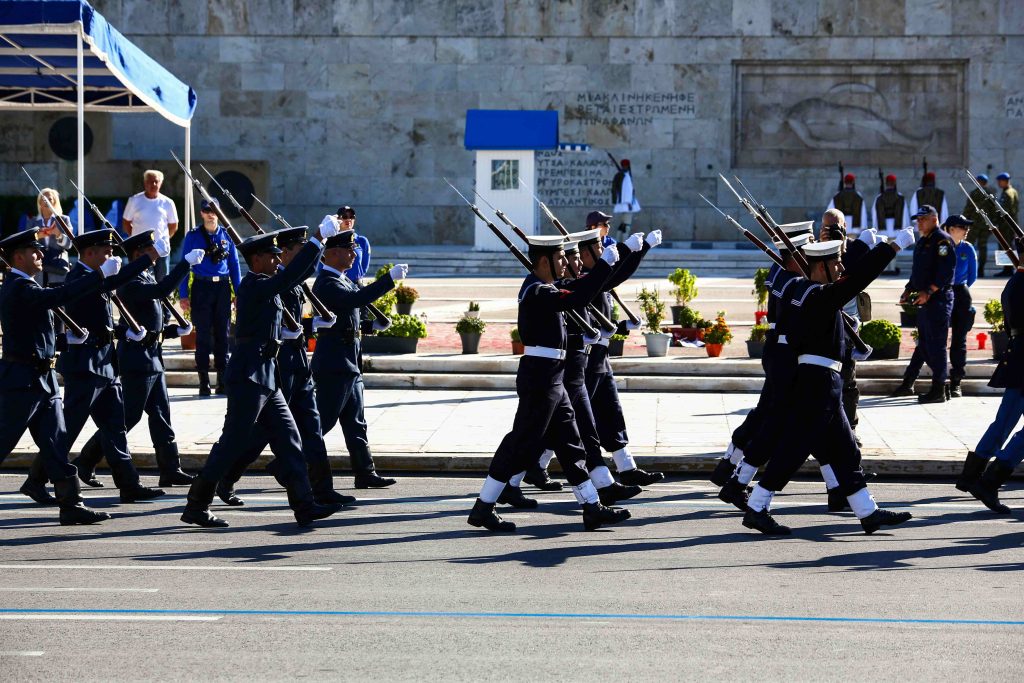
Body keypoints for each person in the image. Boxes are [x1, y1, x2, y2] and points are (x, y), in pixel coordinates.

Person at [741, 232, 916, 536]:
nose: (841, 267)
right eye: (835, 263)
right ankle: (757, 507)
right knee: (795, 449)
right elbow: (858, 278)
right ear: (820, 266)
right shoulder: (817, 295)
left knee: (845, 450)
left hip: (826, 382)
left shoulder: (804, 291)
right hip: (817, 384)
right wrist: (891, 247)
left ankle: (867, 512)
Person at [179, 218, 346, 528]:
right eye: (271, 256)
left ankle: (304, 505)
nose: (276, 260)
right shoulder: (253, 285)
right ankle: (197, 504)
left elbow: (297, 275)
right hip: (248, 374)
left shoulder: (268, 284)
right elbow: (291, 276)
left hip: (267, 374)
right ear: (256, 259)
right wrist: (318, 238)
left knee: (289, 439)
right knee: (233, 442)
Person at [467, 235, 630, 533]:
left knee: (571, 444)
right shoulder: (536, 291)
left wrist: (613, 264)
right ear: (544, 261)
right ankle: (483, 507)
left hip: (554, 376)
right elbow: (577, 298)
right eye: (560, 258)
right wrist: (603, 265)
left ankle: (592, 507)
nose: (565, 263)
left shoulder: (546, 288)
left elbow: (580, 289)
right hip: (540, 378)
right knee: (520, 443)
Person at [216, 226, 357, 507]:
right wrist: (318, 240)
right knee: (261, 432)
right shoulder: (272, 280)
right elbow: (263, 321)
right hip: (279, 364)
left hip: (299, 362)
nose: (282, 257)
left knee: (312, 428)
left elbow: (302, 285)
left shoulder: (291, 278)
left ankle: (322, 489)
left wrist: (312, 325)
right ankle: (226, 478)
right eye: (298, 250)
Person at [29, 228, 164, 503]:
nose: (112, 256)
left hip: (105, 365)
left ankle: (129, 484)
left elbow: (105, 310)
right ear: (89, 253)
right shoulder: (79, 278)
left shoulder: (96, 277)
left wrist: (125, 332)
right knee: (67, 429)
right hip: (85, 368)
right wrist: (148, 258)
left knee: (116, 428)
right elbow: (115, 281)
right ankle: (35, 480)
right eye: (106, 251)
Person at [74, 231, 204, 488]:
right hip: (137, 360)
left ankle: (170, 468)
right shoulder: (130, 281)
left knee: (161, 415)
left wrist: (173, 331)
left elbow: (150, 323)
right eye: (149, 251)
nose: (154, 255)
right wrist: (185, 264)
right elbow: (161, 290)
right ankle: (85, 460)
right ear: (138, 254)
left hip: (153, 356)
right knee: (127, 417)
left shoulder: (144, 276)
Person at [0, 229, 110, 524]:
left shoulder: (27, 285)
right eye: (33, 251)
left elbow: (34, 331)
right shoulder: (18, 286)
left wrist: (64, 341)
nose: (40, 254)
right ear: (18, 257)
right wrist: (99, 276)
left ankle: (71, 504)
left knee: (56, 443)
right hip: (22, 380)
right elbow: (57, 296)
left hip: (43, 378)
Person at [312, 231, 405, 489]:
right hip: (334, 364)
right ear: (333, 253)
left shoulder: (342, 280)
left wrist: (370, 326)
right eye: (349, 250)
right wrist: (388, 279)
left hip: (349, 362)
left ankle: (365, 472)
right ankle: (286, 462)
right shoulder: (327, 282)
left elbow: (346, 320)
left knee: (356, 423)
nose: (354, 254)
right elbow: (354, 300)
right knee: (323, 421)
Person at [578, 225, 665, 486]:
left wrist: (625, 326)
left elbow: (606, 312)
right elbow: (617, 276)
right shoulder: (586, 279)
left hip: (601, 355)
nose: (604, 251)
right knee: (571, 418)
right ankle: (533, 466)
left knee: (611, 411)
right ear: (584, 255)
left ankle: (626, 467)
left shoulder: (597, 278)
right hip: (587, 357)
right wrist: (639, 249)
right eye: (598, 248)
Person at [956, 253, 1024, 512]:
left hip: (1018, 355)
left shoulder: (1015, 281)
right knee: (1007, 422)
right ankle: (990, 481)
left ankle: (971, 476)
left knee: (1004, 420)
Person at [890, 205, 957, 403]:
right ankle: (918, 383)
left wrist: (929, 291)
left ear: (934, 219)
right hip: (924, 299)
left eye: (923, 219)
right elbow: (918, 271)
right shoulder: (923, 241)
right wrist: (908, 289)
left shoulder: (942, 240)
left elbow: (946, 271)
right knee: (925, 344)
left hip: (938, 299)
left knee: (936, 345)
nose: (919, 223)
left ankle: (939, 389)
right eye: (917, 220)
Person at [179, 198, 241, 396]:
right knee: (203, 335)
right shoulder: (193, 236)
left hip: (222, 287)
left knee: (223, 334)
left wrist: (238, 293)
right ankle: (204, 381)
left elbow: (234, 265)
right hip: (201, 287)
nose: (211, 214)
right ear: (201, 213)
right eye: (207, 210)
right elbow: (184, 265)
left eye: (214, 210)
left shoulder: (226, 235)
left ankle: (222, 380)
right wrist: (183, 294)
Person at [821, 209, 869, 439]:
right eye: (826, 227)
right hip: (824, 326)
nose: (831, 231)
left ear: (845, 227)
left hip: (848, 326)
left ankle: (850, 429)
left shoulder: (855, 250)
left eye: (835, 226)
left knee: (848, 382)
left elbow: (861, 272)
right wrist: (822, 246)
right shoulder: (815, 249)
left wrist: (841, 247)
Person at [123, 170, 178, 281]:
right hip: (139, 251)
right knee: (138, 280)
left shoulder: (168, 202)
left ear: (161, 183)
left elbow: (173, 225)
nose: (153, 184)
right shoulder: (134, 200)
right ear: (145, 183)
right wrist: (137, 240)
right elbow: (126, 223)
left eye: (156, 181)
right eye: (150, 181)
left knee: (162, 282)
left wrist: (163, 239)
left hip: (160, 251)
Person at [946, 215, 978, 398]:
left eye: (968, 227)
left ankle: (956, 381)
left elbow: (972, 276)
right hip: (943, 292)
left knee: (959, 340)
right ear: (951, 229)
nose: (966, 230)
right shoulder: (942, 245)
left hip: (961, 293)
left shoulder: (968, 248)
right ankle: (935, 381)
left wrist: (960, 289)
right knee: (934, 337)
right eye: (962, 227)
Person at [30, 188, 72, 288]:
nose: (47, 201)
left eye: (50, 199)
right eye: (44, 199)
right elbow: (25, 245)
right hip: (38, 272)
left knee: (57, 296)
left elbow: (69, 244)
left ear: (55, 202)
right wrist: (37, 236)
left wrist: (59, 235)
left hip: (57, 270)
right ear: (39, 202)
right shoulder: (32, 221)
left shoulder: (64, 220)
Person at [962, 173, 994, 277]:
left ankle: (966, 268)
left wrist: (963, 221)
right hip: (986, 225)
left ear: (979, 181)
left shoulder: (974, 193)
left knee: (968, 245)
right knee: (983, 247)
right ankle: (981, 270)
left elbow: (968, 209)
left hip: (974, 225)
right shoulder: (990, 194)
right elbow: (994, 211)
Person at [336, 206, 371, 282]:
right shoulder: (331, 240)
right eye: (344, 217)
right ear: (338, 219)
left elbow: (364, 267)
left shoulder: (362, 241)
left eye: (351, 217)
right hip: (336, 283)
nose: (348, 219)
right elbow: (322, 266)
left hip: (355, 284)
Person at [995, 173, 1020, 276]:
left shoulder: (1007, 193)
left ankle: (1008, 270)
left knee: (1006, 246)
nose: (998, 183)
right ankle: (1008, 269)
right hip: (1011, 224)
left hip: (1006, 225)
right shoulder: (1013, 191)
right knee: (1009, 245)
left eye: (999, 181)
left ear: (1005, 181)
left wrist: (997, 222)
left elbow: (1004, 211)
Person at [871, 173, 909, 237]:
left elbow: (874, 213)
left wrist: (875, 227)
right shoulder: (900, 197)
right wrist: (905, 228)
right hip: (897, 230)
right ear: (895, 183)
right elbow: (905, 214)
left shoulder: (879, 197)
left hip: (883, 230)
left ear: (886, 183)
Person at [611, 159, 641, 242]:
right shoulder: (625, 176)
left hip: (623, 203)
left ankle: (618, 240)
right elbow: (626, 191)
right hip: (627, 204)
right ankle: (625, 242)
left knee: (623, 224)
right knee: (627, 224)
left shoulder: (623, 175)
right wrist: (629, 203)